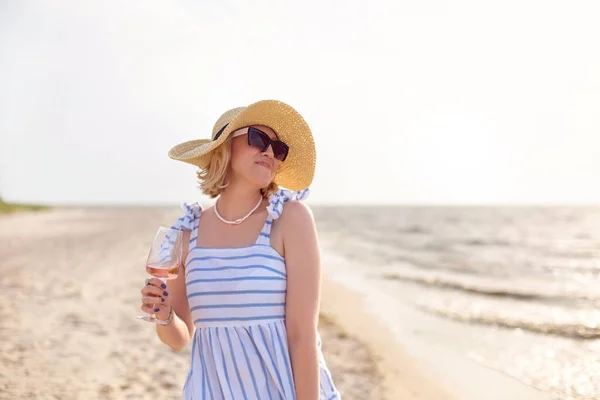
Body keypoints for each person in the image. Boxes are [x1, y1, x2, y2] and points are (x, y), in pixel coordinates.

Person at [139, 99, 341, 399]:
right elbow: (179, 339)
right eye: (258, 139)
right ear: (223, 148)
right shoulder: (186, 229)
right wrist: (163, 315)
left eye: (279, 148)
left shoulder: (290, 218)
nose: (270, 152)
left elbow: (303, 336)